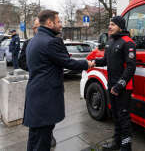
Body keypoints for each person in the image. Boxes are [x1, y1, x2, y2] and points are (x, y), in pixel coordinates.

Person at [23, 9, 93, 151]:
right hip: (45, 99)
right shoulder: (51, 42)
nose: (61, 24)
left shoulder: (33, 40)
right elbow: (68, 62)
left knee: (35, 138)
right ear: (50, 23)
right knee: (42, 141)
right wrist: (87, 64)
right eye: (59, 21)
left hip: (35, 97)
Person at [93, 16, 136, 151]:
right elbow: (105, 60)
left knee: (123, 117)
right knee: (115, 116)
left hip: (123, 88)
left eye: (112, 24)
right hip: (111, 86)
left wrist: (119, 85)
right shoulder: (110, 41)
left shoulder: (128, 42)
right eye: (109, 24)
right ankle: (116, 142)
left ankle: (126, 146)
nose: (109, 27)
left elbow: (131, 67)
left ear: (120, 27)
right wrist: (93, 62)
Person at [19, 17, 57, 148]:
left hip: (50, 86)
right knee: (37, 120)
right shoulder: (28, 43)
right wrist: (37, 68)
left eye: (39, 26)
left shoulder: (51, 42)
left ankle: (49, 135)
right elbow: (21, 62)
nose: (37, 29)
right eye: (35, 27)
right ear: (34, 29)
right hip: (37, 83)